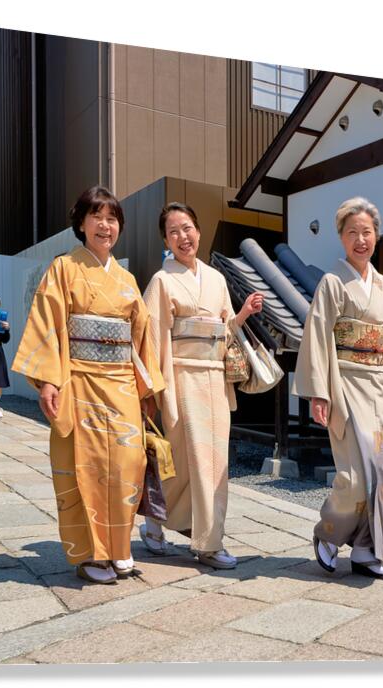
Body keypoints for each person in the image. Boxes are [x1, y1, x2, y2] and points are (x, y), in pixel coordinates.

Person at [12, 186, 165, 585]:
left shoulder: (128, 280)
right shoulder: (63, 268)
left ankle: (120, 548)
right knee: (88, 467)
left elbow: (141, 338)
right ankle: (91, 555)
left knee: (129, 465)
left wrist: (146, 391)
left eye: (112, 218)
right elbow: (48, 323)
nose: (105, 225)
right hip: (78, 380)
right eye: (96, 216)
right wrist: (48, 379)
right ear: (81, 223)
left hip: (121, 386)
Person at [293, 197, 383, 581]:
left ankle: (367, 550)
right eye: (352, 233)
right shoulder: (332, 283)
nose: (360, 240)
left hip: (378, 386)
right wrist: (319, 392)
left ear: (377, 235)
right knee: (354, 478)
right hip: (345, 384)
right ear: (341, 238)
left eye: (367, 232)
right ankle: (328, 534)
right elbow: (316, 336)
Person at [141, 202, 264, 569]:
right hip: (180, 376)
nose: (183, 236)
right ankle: (158, 519)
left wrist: (242, 316)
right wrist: (156, 391)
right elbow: (153, 338)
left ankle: (208, 541)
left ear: (198, 230)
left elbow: (224, 332)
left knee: (213, 463)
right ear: (166, 239)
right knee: (185, 461)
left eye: (188, 227)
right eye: (174, 231)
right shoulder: (163, 281)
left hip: (212, 377)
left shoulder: (216, 279)